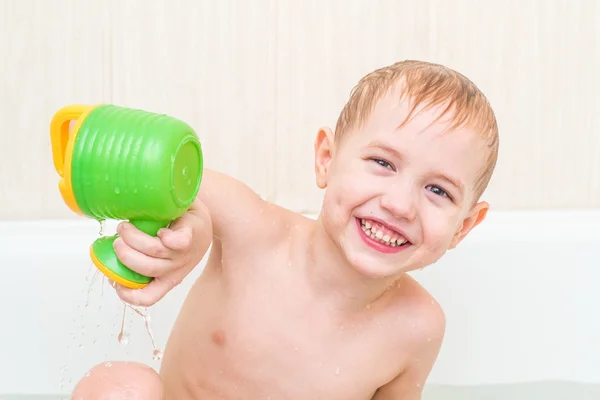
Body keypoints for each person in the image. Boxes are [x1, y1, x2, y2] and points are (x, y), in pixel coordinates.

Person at [71, 59, 499, 399]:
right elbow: (180, 187)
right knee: (119, 387)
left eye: (438, 191)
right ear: (326, 159)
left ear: (463, 227)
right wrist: (191, 232)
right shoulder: (254, 231)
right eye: (383, 163)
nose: (400, 204)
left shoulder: (417, 327)